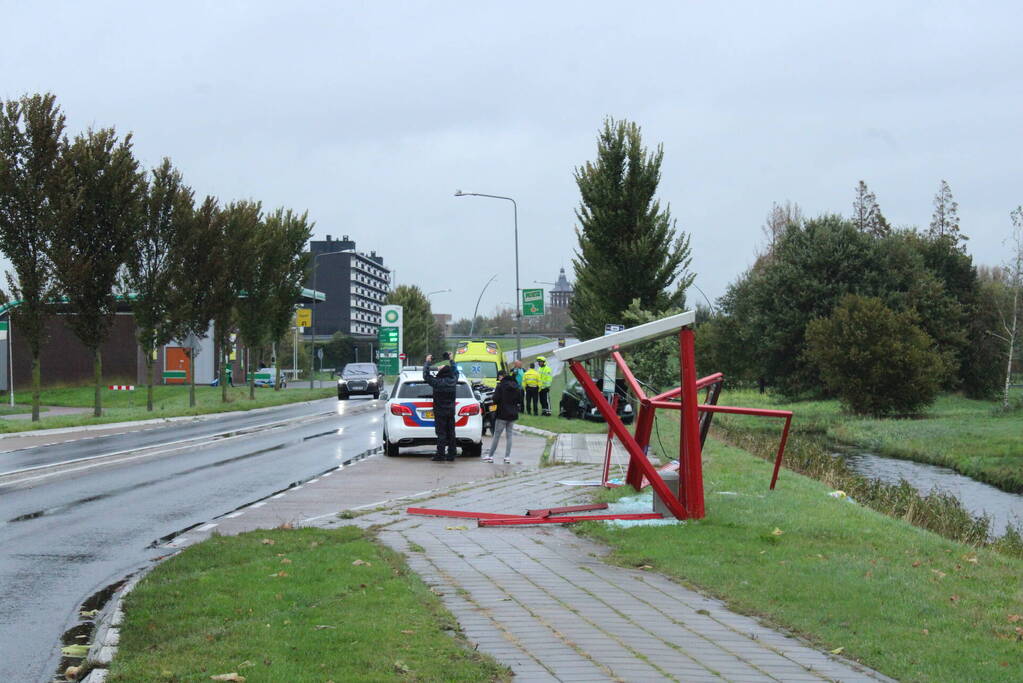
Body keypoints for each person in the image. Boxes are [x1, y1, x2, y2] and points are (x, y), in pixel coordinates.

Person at [423, 352, 460, 462]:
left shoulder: (436, 382)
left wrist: (428, 362)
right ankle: (451, 454)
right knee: (451, 433)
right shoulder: (453, 381)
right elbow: (456, 371)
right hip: (450, 411)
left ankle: (440, 454)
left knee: (441, 434)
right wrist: (451, 360)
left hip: (439, 412)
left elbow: (425, 375)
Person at [486, 370, 519, 463]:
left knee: (496, 435)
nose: (499, 379)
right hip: (513, 414)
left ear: (501, 376)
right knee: (509, 436)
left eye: (499, 377)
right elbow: (519, 399)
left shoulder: (500, 386)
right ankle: (507, 457)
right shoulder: (515, 385)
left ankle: (490, 456)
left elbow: (495, 399)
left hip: (502, 414)